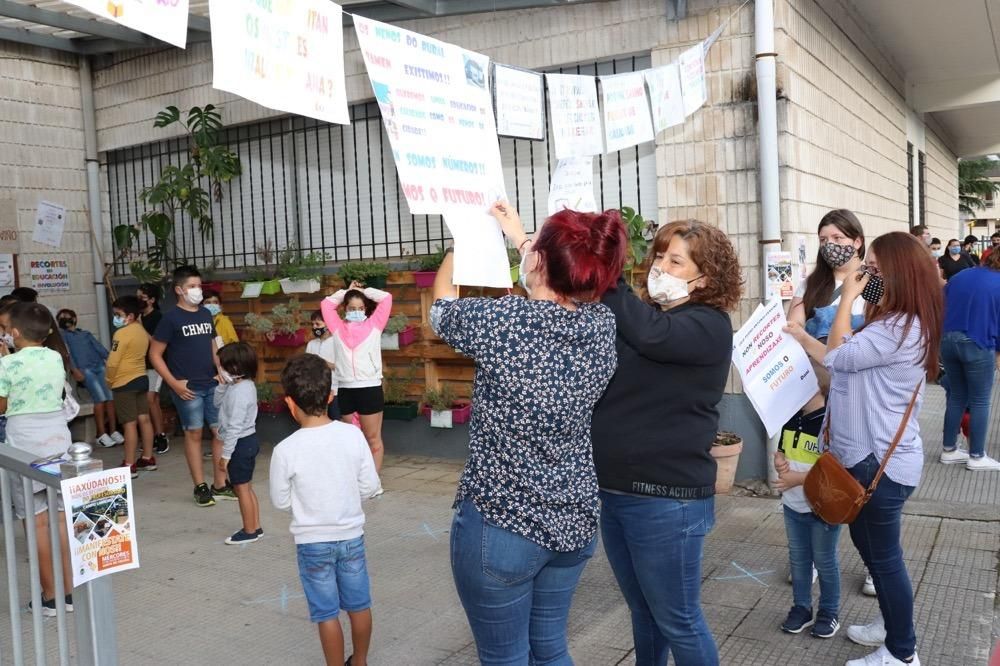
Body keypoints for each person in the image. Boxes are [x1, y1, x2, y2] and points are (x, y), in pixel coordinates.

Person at [432, 202, 626, 665]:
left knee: (505, 658)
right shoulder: (602, 326)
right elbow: (561, 280)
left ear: (539, 262)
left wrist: (468, 240)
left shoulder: (502, 322)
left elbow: (441, 305)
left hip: (503, 526)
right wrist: (521, 236)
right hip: (573, 520)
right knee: (550, 648)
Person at [785, 231, 942, 666]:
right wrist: (798, 336)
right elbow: (844, 362)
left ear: (897, 276)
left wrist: (849, 296)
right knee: (873, 550)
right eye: (864, 267)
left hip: (879, 467)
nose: (863, 274)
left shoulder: (896, 328)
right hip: (869, 461)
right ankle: (894, 626)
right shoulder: (893, 324)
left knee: (885, 559)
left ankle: (901, 651)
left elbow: (836, 355)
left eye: (871, 269)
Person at [591, 220, 741, 666]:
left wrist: (607, 276)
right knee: (644, 610)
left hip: (666, 499)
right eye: (658, 256)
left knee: (678, 619)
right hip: (617, 491)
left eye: (675, 260)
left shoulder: (708, 324)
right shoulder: (650, 317)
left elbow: (650, 335)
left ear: (705, 278)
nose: (660, 266)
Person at [785, 209, 875, 598]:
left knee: (860, 479)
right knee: (819, 474)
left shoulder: (873, 284)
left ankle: (875, 562)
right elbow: (794, 322)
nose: (830, 246)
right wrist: (793, 317)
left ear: (857, 240)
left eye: (838, 239)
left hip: (858, 396)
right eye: (824, 240)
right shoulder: (815, 284)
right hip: (813, 397)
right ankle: (819, 560)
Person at [270, 354, 380, 666]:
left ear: (290, 403)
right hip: (351, 536)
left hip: (311, 542)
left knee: (326, 613)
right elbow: (369, 486)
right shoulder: (352, 435)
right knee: (359, 604)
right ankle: (359, 661)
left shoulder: (285, 450)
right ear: (330, 397)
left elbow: (280, 501)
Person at [0, 302, 74, 615]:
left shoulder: (7, 365)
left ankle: (50, 596)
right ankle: (70, 593)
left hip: (24, 442)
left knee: (35, 520)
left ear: (14, 333)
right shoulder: (55, 356)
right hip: (58, 439)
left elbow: (2, 406)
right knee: (59, 518)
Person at [149, 266, 234, 507]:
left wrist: (220, 371)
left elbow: (213, 345)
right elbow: (155, 354)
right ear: (179, 290)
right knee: (194, 433)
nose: (197, 291)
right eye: (192, 287)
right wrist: (173, 383)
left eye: (199, 286)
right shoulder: (170, 319)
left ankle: (220, 483)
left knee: (220, 433)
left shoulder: (206, 314)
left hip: (212, 385)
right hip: (188, 389)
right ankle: (200, 486)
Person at [774, 409, 841, 638]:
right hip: (792, 504)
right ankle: (801, 608)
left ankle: (829, 612)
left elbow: (833, 469)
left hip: (823, 507)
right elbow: (782, 449)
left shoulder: (831, 422)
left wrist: (797, 479)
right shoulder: (791, 416)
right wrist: (779, 460)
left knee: (824, 560)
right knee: (798, 559)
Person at [320, 281, 393, 472]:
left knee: (372, 438)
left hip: (369, 388)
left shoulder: (374, 325)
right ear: (345, 309)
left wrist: (362, 291)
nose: (356, 311)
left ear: (366, 309)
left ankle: (373, 482)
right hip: (346, 389)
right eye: (352, 308)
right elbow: (326, 305)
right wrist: (347, 291)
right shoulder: (337, 327)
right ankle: (358, 478)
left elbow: (386, 299)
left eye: (360, 308)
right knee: (353, 440)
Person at [938, 249, 1000, 471]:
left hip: (948, 341)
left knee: (957, 396)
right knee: (980, 400)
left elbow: (942, 305)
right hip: (978, 342)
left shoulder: (962, 275)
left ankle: (949, 450)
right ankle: (977, 455)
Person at [215, 343, 262, 544]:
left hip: (240, 443)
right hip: (246, 441)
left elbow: (235, 426)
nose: (221, 369)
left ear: (236, 368)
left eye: (224, 366)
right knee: (247, 487)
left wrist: (226, 455)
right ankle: (256, 526)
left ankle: (249, 530)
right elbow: (217, 403)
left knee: (241, 489)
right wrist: (222, 384)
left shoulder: (241, 391)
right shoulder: (238, 386)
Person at [106, 296, 157, 478]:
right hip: (141, 378)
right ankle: (148, 457)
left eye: (118, 314)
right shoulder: (141, 331)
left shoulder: (121, 334)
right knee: (144, 419)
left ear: (131, 315)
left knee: (129, 423)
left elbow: (112, 362)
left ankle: (129, 464)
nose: (116, 318)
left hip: (123, 381)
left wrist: (109, 380)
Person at [57, 308, 122, 448]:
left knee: (110, 398)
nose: (65, 320)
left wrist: (112, 361)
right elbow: (67, 355)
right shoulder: (63, 336)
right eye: (62, 318)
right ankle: (101, 434)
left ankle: (114, 430)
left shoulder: (85, 333)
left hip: (99, 366)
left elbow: (100, 349)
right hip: (85, 370)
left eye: (67, 317)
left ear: (74, 318)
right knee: (100, 399)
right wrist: (75, 370)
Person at [137, 283, 169, 454]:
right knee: (147, 401)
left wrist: (140, 326)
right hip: (139, 364)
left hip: (154, 365)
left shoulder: (157, 317)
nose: (138, 301)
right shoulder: (136, 316)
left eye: (142, 298)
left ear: (151, 300)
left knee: (151, 399)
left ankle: (161, 435)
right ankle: (151, 435)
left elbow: (155, 342)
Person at [306, 310, 340, 421]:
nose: (315, 327)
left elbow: (343, 367)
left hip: (335, 390)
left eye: (318, 324)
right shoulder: (311, 344)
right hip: (317, 391)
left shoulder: (337, 342)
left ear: (328, 324)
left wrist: (323, 363)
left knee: (336, 420)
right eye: (313, 324)